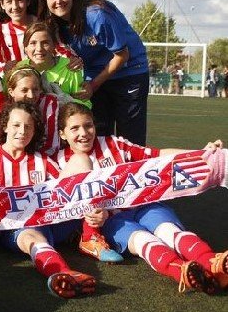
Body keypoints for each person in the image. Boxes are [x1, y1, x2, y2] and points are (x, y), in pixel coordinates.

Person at [55, 102, 227, 293]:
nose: (84, 133)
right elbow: (59, 203)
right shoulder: (59, 161)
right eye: (75, 128)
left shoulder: (114, 144)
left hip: (143, 205)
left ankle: (213, 264)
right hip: (113, 219)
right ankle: (182, 272)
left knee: (168, 231)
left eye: (88, 125)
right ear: (62, 134)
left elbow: (158, 155)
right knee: (144, 240)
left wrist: (200, 154)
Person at [0, 101, 96, 298]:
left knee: (81, 160)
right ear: (5, 126)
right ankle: (60, 272)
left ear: (34, 131)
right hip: (15, 228)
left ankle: (91, 234)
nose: (22, 131)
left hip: (51, 221)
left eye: (28, 127)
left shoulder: (42, 162)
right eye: (16, 125)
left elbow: (64, 191)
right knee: (30, 234)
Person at [39, 0, 150, 145]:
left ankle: (133, 170)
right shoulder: (54, 24)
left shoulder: (96, 15)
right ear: (45, 1)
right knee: (98, 135)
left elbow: (122, 55)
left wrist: (93, 85)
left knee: (130, 139)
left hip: (129, 73)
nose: (58, 0)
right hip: (96, 75)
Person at [14, 21, 90, 107]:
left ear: (54, 46)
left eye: (45, 43)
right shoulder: (18, 68)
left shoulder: (71, 67)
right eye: (33, 43)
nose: (39, 49)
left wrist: (66, 103)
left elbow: (85, 105)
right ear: (25, 48)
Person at [4, 67, 60, 154]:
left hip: (39, 158)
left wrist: (34, 162)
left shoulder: (48, 103)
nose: (31, 95)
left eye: (35, 90)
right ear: (11, 92)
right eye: (24, 90)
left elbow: (51, 144)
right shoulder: (7, 107)